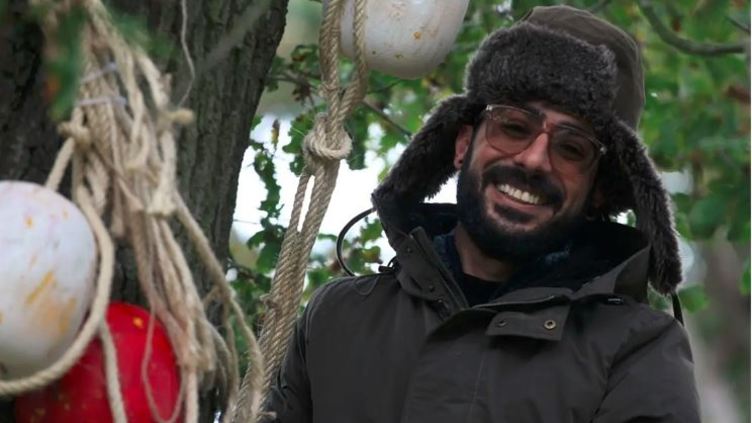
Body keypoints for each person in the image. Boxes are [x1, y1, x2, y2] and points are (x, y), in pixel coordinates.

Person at [265, 5, 700, 422]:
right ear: (461, 143)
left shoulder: (637, 350)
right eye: (513, 126)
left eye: (571, 148)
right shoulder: (338, 318)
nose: (533, 160)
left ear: (601, 191)